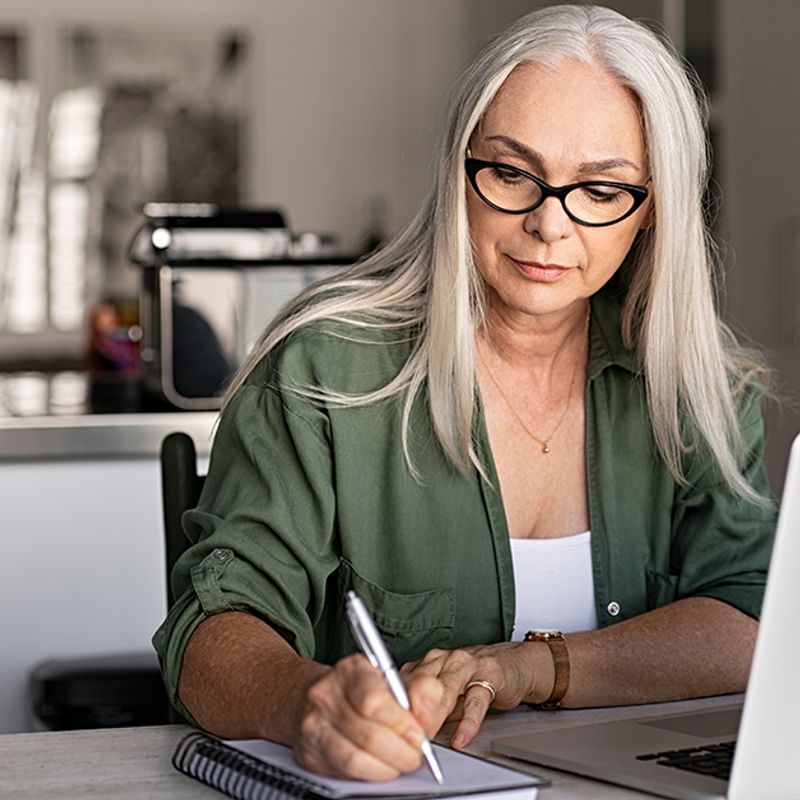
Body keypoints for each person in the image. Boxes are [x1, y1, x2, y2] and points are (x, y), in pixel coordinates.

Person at [153, 4, 777, 784]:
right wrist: (304, 702)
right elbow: (209, 635)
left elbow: (751, 618)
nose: (549, 224)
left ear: (652, 210)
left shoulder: (701, 384)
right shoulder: (322, 367)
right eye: (512, 173)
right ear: (460, 169)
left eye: (600, 189)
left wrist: (530, 667)